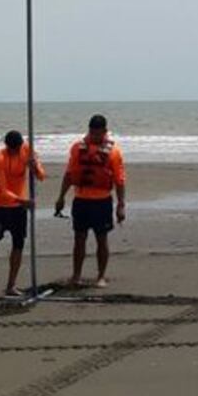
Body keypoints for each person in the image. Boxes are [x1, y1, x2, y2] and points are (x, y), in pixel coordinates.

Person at [54, 114, 126, 287]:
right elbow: (69, 174)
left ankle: (101, 276)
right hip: (81, 200)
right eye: (92, 133)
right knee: (79, 238)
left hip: (102, 201)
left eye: (98, 133)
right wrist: (61, 197)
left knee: (102, 239)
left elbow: (120, 180)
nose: (94, 136)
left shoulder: (114, 152)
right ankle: (76, 275)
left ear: (105, 132)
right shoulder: (77, 148)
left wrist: (121, 205)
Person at [0, 130, 44, 295]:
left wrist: (34, 166)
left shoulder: (27, 151)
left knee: (18, 244)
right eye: (12, 149)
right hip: (0, 207)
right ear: (6, 146)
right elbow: (2, 190)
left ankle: (11, 285)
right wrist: (23, 201)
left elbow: (41, 176)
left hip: (18, 210)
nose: (15, 151)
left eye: (17, 148)